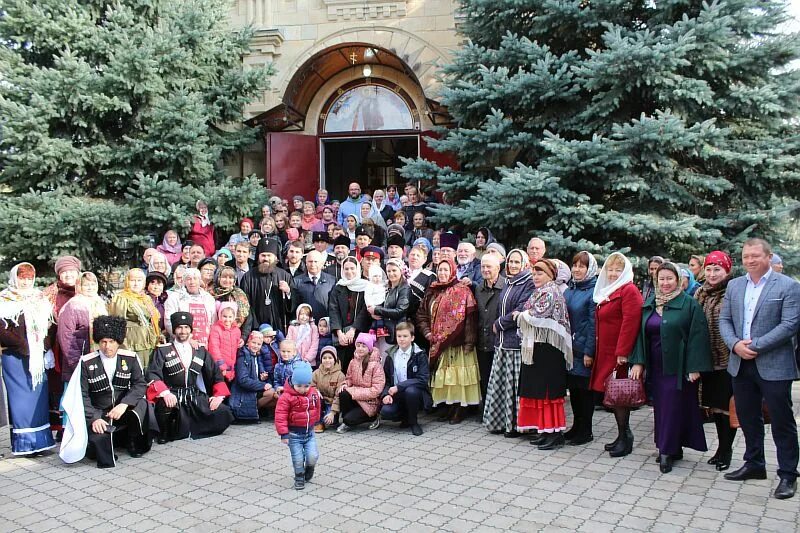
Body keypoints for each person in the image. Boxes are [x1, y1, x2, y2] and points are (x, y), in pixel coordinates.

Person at [719, 238, 800, 499]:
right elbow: (725, 319)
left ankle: (788, 474)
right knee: (747, 416)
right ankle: (754, 464)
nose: (750, 260)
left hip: (773, 364)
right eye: (746, 256)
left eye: (755, 255)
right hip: (740, 363)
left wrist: (756, 345)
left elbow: (790, 324)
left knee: (781, 420)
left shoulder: (788, 286)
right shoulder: (734, 285)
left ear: (768, 257)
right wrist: (735, 345)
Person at [630, 262, 712, 473]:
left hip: (679, 366)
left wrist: (694, 367)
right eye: (661, 279)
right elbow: (640, 333)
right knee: (663, 408)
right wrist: (638, 362)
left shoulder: (688, 304)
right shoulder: (651, 302)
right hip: (656, 367)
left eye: (669, 279)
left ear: (678, 280)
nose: (665, 283)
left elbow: (698, 336)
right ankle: (673, 447)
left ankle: (666, 451)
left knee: (673, 407)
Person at [59, 316, 154, 468]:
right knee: (100, 454)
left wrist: (124, 404)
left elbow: (139, 385)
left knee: (142, 405)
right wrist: (94, 418)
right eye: (103, 341)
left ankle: (133, 442)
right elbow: (81, 395)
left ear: (118, 341)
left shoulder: (130, 358)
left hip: (123, 411)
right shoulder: (86, 362)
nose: (107, 346)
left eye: (111, 342)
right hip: (100, 413)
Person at [146, 312, 233, 443]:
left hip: (193, 395)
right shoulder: (162, 350)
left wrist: (218, 396)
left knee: (223, 412)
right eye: (179, 328)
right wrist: (165, 393)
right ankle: (165, 432)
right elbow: (153, 373)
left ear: (191, 330)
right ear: (174, 330)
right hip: (172, 394)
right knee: (166, 406)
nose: (183, 331)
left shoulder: (200, 350)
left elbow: (215, 373)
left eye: (186, 327)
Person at [0, 263, 57, 455]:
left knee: (38, 400)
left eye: (29, 278)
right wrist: (23, 346)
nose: (25, 282)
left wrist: (45, 345)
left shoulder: (38, 298)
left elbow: (50, 325)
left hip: (38, 357)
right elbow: (2, 329)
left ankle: (41, 443)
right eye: (22, 278)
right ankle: (25, 445)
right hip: (16, 357)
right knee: (21, 401)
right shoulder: (5, 299)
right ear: (15, 278)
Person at [516, 259, 573, 450]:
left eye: (539, 273)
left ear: (550, 275)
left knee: (549, 393)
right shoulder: (539, 292)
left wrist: (521, 315)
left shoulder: (551, 292)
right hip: (538, 348)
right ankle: (545, 430)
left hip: (550, 350)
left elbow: (535, 315)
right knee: (540, 392)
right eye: (533, 273)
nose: (535, 277)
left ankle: (555, 433)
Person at [591, 252, 643, 458]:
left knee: (620, 395)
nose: (612, 274)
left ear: (625, 271)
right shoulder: (609, 291)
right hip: (606, 350)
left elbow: (631, 322)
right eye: (610, 269)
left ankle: (626, 436)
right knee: (612, 395)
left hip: (618, 353)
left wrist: (623, 352)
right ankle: (622, 435)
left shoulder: (629, 290)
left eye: (617, 270)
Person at [416, 258, 481, 424]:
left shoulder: (463, 290)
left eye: (446, 270)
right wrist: (428, 333)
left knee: (458, 378)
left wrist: (469, 342)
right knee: (444, 379)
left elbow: (471, 318)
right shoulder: (432, 291)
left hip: (459, 344)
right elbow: (422, 314)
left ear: (452, 271)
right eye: (440, 270)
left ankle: (460, 409)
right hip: (438, 342)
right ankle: (449, 407)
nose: (442, 273)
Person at [483, 249, 534, 437]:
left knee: (514, 389)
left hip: (515, 343)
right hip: (502, 343)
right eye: (510, 261)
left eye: (516, 262)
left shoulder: (528, 283)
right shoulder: (508, 282)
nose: (512, 265)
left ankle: (515, 425)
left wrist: (499, 324)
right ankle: (501, 423)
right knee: (502, 387)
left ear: (524, 264)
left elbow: (521, 310)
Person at [694, 251, 737, 471]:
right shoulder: (700, 293)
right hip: (706, 359)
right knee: (713, 407)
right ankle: (720, 449)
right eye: (709, 269)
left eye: (717, 269)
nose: (712, 274)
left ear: (727, 270)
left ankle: (726, 450)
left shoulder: (733, 291)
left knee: (726, 408)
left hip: (728, 360)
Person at [563, 251, 598, 445]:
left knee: (585, 392)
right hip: (570, 348)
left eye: (581, 266)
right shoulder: (571, 288)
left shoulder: (593, 291)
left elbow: (594, 325)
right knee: (574, 391)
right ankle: (576, 426)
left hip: (583, 350)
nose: (576, 269)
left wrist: (589, 351)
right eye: (574, 265)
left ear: (589, 269)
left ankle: (586, 431)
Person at [275, 361, 321, 490]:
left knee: (313, 456)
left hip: (309, 432)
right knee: (298, 458)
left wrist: (316, 420)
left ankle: (309, 469)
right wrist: (283, 433)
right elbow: (280, 415)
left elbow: (316, 407)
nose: (303, 389)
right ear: (293, 383)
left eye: (306, 386)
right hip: (294, 434)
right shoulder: (286, 397)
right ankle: (299, 477)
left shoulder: (313, 393)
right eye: (299, 385)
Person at [240, 236, 298, 338]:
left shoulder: (285, 276)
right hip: (255, 328)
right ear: (258, 256)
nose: (266, 258)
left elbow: (294, 304)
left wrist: (288, 292)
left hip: (278, 326)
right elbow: (245, 305)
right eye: (263, 255)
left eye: (269, 255)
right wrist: (253, 327)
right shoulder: (248, 277)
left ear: (276, 257)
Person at [57, 272, 108, 384]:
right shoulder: (73, 306)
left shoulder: (100, 303)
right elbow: (66, 336)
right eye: (86, 285)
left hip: (99, 357)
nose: (90, 288)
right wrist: (75, 363)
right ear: (79, 286)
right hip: (79, 359)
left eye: (93, 284)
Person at [381, 322, 431, 436]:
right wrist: (385, 395)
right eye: (399, 336)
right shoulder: (391, 355)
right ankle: (405, 417)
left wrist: (399, 387)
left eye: (405, 336)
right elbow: (387, 379)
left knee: (411, 391)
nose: (401, 339)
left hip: (415, 394)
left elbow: (422, 379)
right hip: (396, 394)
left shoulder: (420, 354)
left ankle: (413, 422)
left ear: (412, 338)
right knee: (386, 412)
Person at [109, 268, 161, 368]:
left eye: (139, 280)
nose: (136, 284)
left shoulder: (146, 298)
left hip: (148, 341)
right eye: (133, 280)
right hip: (131, 343)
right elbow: (117, 323)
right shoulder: (121, 298)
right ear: (127, 281)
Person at [328, 257, 372, 373]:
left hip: (358, 332)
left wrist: (353, 329)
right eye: (346, 269)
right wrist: (339, 332)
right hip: (342, 334)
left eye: (352, 268)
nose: (349, 271)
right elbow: (333, 309)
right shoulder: (338, 287)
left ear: (357, 269)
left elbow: (364, 310)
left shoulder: (365, 286)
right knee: (341, 367)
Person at [336, 333, 386, 432]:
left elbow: (376, 390)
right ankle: (348, 422)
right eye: (358, 345)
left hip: (370, 402)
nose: (360, 348)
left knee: (348, 419)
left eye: (364, 346)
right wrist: (345, 384)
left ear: (369, 348)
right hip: (356, 399)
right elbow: (349, 378)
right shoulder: (353, 362)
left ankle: (373, 417)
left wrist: (355, 392)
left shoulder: (376, 365)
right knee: (343, 392)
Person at [475, 253, 505, 406]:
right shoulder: (478, 289)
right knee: (484, 378)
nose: (485, 270)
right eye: (483, 266)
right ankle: (485, 410)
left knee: (500, 380)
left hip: (499, 341)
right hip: (482, 341)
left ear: (498, 268)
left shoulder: (506, 287)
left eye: (489, 266)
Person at [230, 330, 277, 422]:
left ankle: (258, 412)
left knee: (276, 396)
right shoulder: (243, 355)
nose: (256, 346)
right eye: (253, 342)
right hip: (243, 393)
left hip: (252, 390)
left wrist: (262, 378)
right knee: (271, 393)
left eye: (259, 344)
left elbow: (254, 376)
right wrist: (262, 385)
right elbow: (243, 380)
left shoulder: (256, 355)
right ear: (248, 342)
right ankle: (251, 411)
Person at [163, 268, 215, 346]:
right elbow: (169, 321)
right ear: (184, 281)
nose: (192, 282)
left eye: (195, 278)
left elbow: (213, 321)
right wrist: (187, 340)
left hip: (205, 344)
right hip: (181, 343)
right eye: (188, 279)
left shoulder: (208, 298)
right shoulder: (175, 297)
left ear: (200, 280)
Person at [370, 259, 410, 354]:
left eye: (394, 270)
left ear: (401, 271)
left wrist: (377, 310)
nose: (391, 273)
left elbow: (400, 311)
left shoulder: (405, 289)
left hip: (397, 332)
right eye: (389, 271)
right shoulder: (386, 288)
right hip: (384, 331)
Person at [294, 250, 336, 322]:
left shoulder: (332, 281)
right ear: (306, 263)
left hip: (325, 326)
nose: (312, 264)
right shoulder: (296, 281)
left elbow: (334, 306)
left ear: (322, 263)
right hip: (304, 325)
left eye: (316, 262)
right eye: (310, 261)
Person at [311, 346, 345, 433]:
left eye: (330, 358)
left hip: (332, 403)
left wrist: (333, 412)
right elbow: (310, 385)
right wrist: (315, 390)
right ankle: (318, 422)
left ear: (335, 359)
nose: (327, 360)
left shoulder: (340, 375)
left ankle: (330, 418)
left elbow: (338, 395)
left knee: (330, 422)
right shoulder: (316, 373)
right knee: (314, 396)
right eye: (324, 358)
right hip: (320, 401)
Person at [207, 303, 242, 383]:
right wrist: (221, 366)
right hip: (220, 368)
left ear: (234, 317)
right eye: (225, 316)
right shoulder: (216, 329)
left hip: (231, 368)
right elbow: (214, 349)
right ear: (220, 316)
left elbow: (235, 351)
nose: (227, 319)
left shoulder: (237, 330)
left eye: (230, 317)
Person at [287, 304, 320, 368]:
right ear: (298, 315)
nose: (304, 317)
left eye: (307, 315)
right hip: (294, 362)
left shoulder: (313, 328)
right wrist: (293, 357)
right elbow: (289, 342)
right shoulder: (292, 327)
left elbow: (314, 345)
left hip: (309, 363)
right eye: (301, 314)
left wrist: (307, 359)